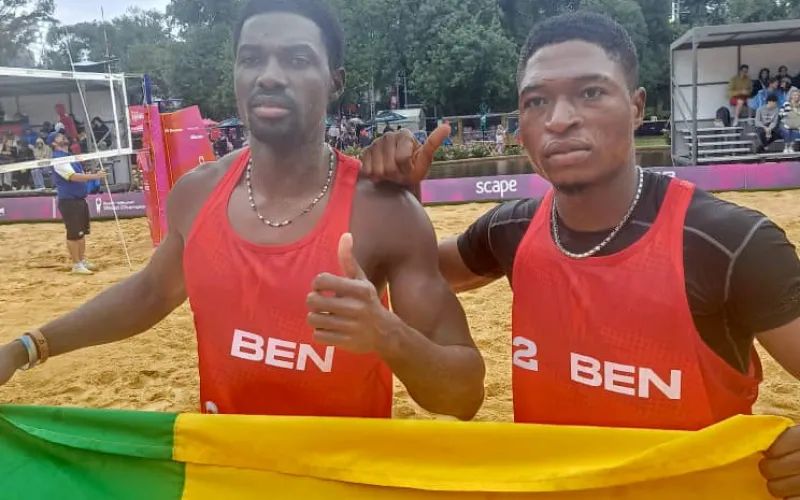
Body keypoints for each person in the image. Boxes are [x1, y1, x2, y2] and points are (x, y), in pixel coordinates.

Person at [361, 12, 800, 498]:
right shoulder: (512, 228)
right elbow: (414, 268)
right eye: (536, 101)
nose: (559, 118)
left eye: (590, 92)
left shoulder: (729, 242)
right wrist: (402, 201)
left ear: (636, 108)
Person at [0, 0, 485, 421]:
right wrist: (29, 347)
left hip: (335, 482)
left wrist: (388, 335)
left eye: (297, 59)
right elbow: (151, 292)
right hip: (221, 476)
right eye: (252, 58)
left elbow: (465, 396)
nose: (269, 75)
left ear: (335, 80)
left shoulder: (385, 213)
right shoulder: (197, 193)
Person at [48, 133, 106, 275]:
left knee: (81, 232)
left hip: (79, 199)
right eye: (60, 137)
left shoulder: (70, 156)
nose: (63, 137)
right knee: (74, 234)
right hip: (69, 201)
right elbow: (72, 177)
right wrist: (95, 176)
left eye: (63, 135)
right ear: (54, 144)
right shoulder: (58, 159)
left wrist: (92, 174)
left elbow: (79, 173)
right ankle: (76, 264)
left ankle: (82, 260)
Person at [781, 88, 800, 153]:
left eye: (797, 95)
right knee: (787, 131)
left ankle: (791, 147)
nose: (795, 96)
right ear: (791, 96)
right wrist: (787, 114)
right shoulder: (786, 103)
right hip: (786, 123)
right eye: (794, 95)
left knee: (795, 131)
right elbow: (780, 113)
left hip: (797, 124)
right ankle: (786, 147)